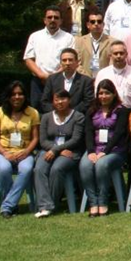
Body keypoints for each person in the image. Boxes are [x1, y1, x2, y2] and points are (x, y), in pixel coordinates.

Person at [0, 82, 40, 218]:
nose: (17, 97)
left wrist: (26, 152)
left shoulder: (33, 113)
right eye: (13, 94)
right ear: (8, 96)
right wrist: (5, 153)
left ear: (25, 96)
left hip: (25, 153)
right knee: (4, 169)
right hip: (1, 152)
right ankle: (11, 205)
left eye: (20, 94)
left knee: (26, 169)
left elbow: (35, 138)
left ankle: (7, 206)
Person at [79, 80, 130, 217]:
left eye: (107, 93)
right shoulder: (92, 110)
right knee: (84, 165)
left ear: (114, 94)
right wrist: (91, 152)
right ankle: (93, 202)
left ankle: (103, 201)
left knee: (101, 164)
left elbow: (119, 133)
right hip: (95, 148)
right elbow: (88, 132)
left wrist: (105, 151)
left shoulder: (121, 110)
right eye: (100, 93)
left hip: (115, 150)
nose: (103, 96)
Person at [33, 90, 85, 218]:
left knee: (57, 168)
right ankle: (45, 205)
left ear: (69, 100)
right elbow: (43, 141)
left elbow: (75, 140)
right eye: (56, 99)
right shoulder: (46, 117)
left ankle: (50, 205)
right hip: (49, 150)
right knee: (39, 169)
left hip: (70, 152)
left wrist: (56, 150)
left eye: (63, 99)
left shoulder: (78, 117)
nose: (60, 102)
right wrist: (56, 150)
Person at [24, 6, 75, 111]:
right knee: (36, 110)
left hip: (60, 80)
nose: (52, 20)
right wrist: (41, 75)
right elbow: (28, 59)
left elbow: (69, 60)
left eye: (56, 17)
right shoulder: (35, 36)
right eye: (49, 17)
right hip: (38, 81)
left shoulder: (68, 38)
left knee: (59, 109)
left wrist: (53, 77)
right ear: (44, 20)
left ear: (61, 21)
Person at [40, 48, 94, 114]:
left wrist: (70, 114)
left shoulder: (86, 81)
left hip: (77, 117)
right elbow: (45, 101)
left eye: (70, 60)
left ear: (77, 62)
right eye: (64, 60)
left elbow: (88, 102)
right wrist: (57, 113)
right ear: (60, 63)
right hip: (55, 116)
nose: (67, 63)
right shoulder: (52, 79)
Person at [94, 41, 131, 109]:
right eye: (115, 53)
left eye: (121, 53)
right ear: (110, 55)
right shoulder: (102, 74)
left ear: (126, 54)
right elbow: (97, 97)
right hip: (109, 112)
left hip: (130, 111)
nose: (118, 56)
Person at [75, 11, 114, 77]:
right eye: (93, 22)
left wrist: (104, 77)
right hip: (85, 79)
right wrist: (86, 78)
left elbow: (112, 64)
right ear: (88, 25)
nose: (96, 24)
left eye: (99, 21)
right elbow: (77, 63)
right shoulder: (79, 41)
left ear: (103, 24)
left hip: (105, 78)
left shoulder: (112, 41)